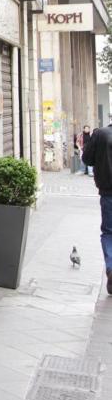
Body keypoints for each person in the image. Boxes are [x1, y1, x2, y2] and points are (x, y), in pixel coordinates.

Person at [81, 122, 112, 294]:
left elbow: (86, 159)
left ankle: (111, 266)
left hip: (108, 193)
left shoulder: (100, 134)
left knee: (108, 232)